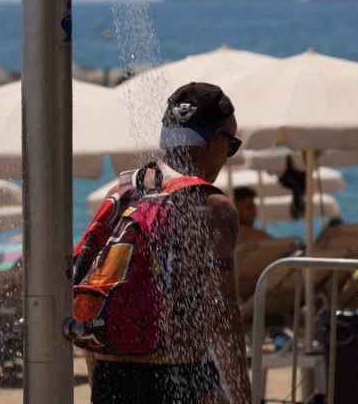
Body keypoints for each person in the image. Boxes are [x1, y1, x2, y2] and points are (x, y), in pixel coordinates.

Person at [88, 82, 251, 404]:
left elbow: (94, 292)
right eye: (230, 144)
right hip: (179, 372)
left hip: (111, 375)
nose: (228, 156)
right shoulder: (211, 206)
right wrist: (242, 396)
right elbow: (222, 315)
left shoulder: (122, 192)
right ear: (214, 140)